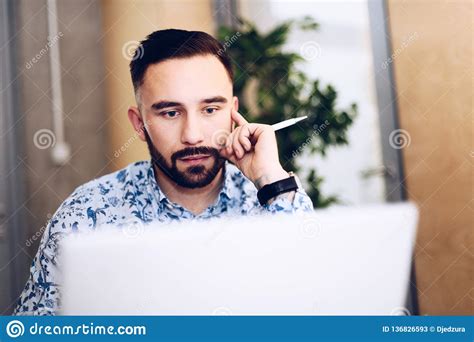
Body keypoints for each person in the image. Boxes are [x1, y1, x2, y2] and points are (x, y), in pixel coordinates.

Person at [14, 29, 313, 315]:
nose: (193, 135)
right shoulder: (86, 214)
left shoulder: (274, 201)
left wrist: (271, 179)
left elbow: (314, 307)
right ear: (139, 124)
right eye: (170, 113)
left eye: (210, 110)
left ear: (233, 112)